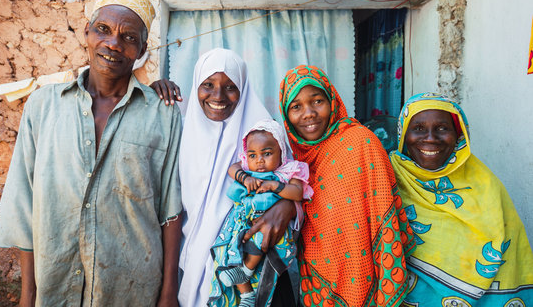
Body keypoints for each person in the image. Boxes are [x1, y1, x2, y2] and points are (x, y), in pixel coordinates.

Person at [0, 0, 183, 306]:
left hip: (132, 290)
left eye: (129, 38)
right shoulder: (42, 106)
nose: (113, 44)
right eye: (103, 29)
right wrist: (28, 296)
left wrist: (168, 295)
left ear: (142, 49)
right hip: (56, 289)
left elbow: (171, 211)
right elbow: (26, 206)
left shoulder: (163, 115)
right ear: (87, 31)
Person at [159, 48, 299, 307]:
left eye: (231, 86)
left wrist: (288, 206)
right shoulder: (179, 130)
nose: (218, 96)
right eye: (208, 85)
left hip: (246, 261)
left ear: (244, 88)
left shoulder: (263, 134)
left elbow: (294, 184)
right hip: (183, 262)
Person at [277, 65, 416, 307]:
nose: (308, 113)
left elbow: (384, 211)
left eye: (317, 101)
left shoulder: (361, 143)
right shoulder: (290, 161)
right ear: (285, 115)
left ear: (332, 101)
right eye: (296, 107)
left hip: (366, 275)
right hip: (317, 282)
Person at [389, 92, 533, 306]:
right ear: (403, 135)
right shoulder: (386, 179)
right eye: (418, 128)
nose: (430, 138)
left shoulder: (486, 186)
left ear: (459, 135)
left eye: (442, 128)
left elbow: (510, 253)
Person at [209, 119, 313, 307]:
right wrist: (244, 177)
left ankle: (247, 270)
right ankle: (246, 293)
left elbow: (297, 192)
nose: (259, 161)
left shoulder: (288, 171)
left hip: (271, 229)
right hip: (243, 222)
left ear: (281, 151)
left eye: (267, 154)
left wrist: (276, 186)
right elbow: (233, 168)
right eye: (253, 155)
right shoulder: (248, 169)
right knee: (233, 249)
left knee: (257, 241)